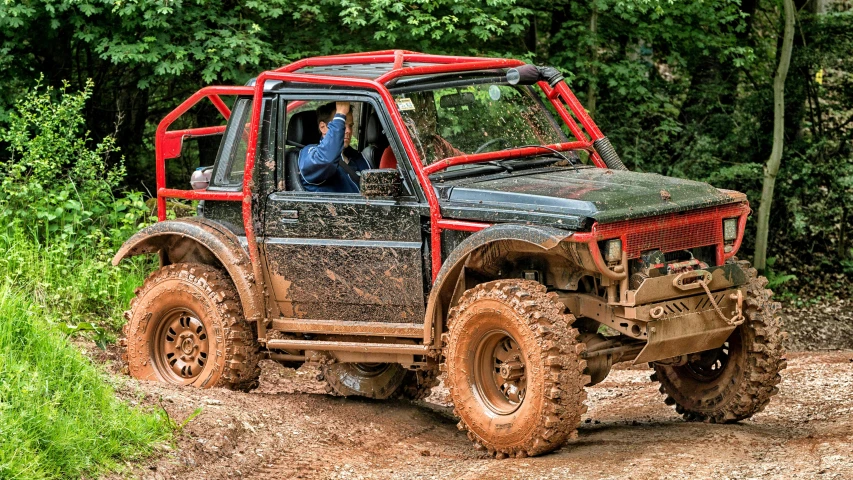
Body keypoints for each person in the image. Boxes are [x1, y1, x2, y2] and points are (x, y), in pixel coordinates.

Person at [299, 101, 370, 193]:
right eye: (343, 125)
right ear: (323, 127)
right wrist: (340, 114)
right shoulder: (310, 153)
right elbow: (327, 160)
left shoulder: (357, 156)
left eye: (351, 126)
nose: (348, 130)